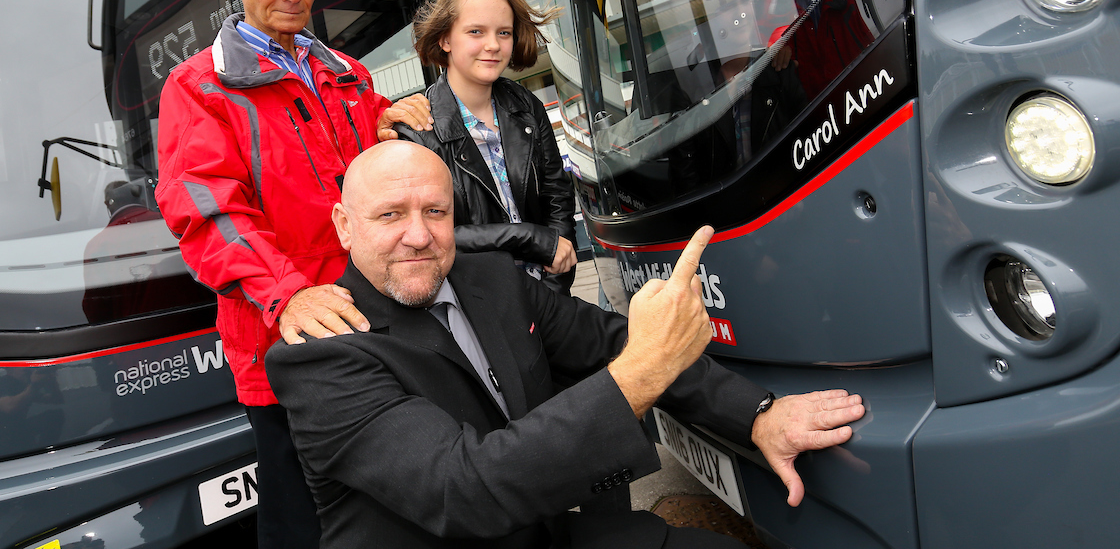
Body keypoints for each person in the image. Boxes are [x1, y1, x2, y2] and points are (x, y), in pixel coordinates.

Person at [265, 141, 866, 549]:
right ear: (344, 225)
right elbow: (464, 488)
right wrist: (642, 371)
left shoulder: (492, 277)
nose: (418, 236)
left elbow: (609, 340)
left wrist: (757, 415)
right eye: (390, 215)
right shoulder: (318, 357)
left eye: (436, 211)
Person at [154, 0, 432, 549]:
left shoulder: (351, 77)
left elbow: (368, 184)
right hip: (286, 336)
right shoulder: (198, 86)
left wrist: (396, 122)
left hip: (376, 320)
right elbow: (207, 210)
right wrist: (289, 295)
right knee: (302, 515)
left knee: (395, 500)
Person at [399, 0, 578, 295]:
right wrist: (528, 237)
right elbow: (429, 232)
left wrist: (555, 280)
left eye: (504, 32)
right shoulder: (417, 129)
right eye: (476, 31)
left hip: (547, 293)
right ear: (445, 39)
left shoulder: (526, 105)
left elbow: (557, 195)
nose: (493, 45)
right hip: (477, 300)